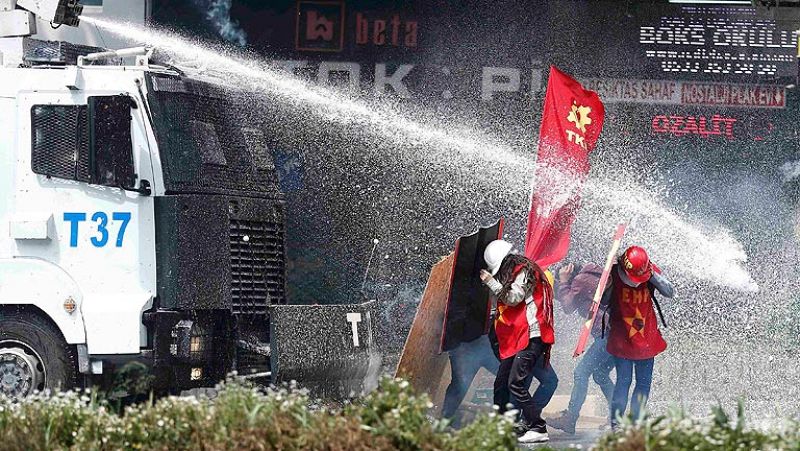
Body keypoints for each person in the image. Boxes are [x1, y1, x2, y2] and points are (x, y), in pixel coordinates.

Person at [479, 239, 558, 444]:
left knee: (517, 383)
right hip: (517, 338)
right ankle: (502, 426)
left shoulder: (523, 271)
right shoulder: (513, 272)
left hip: (531, 336)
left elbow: (513, 298)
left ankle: (536, 426)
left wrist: (491, 281)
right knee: (502, 382)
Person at [601, 246, 675, 430]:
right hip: (622, 338)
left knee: (643, 383)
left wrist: (651, 274)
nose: (635, 282)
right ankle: (617, 423)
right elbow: (602, 302)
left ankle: (636, 422)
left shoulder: (649, 271)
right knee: (624, 381)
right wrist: (607, 283)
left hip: (647, 337)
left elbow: (669, 291)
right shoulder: (614, 273)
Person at [548, 262, 615, 434]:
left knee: (581, 373)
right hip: (615, 332)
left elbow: (568, 306)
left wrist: (563, 281)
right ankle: (617, 416)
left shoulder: (580, 280)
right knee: (600, 374)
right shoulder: (591, 275)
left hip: (607, 334)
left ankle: (570, 419)